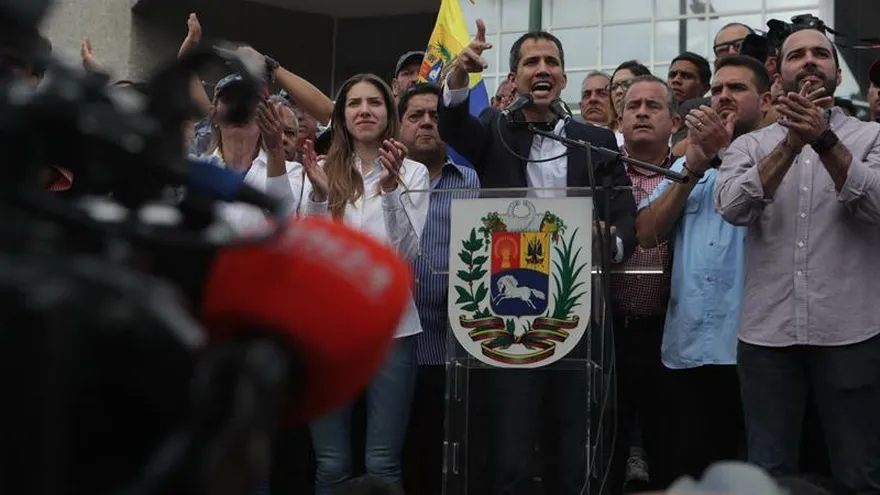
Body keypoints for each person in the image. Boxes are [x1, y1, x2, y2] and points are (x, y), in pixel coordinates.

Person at [437, 19, 637, 495]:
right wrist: (459, 75)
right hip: (507, 313)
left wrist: (607, 240)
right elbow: (452, 125)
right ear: (515, 78)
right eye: (531, 62)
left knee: (574, 445)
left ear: (564, 78)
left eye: (551, 62)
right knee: (512, 444)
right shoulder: (493, 131)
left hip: (578, 308)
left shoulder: (594, 140)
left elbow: (623, 213)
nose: (542, 69)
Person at [715, 27, 880, 494]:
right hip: (768, 337)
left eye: (820, 54)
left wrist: (824, 140)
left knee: (861, 474)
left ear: (836, 72)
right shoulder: (750, 145)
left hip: (853, 332)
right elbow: (731, 207)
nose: (809, 61)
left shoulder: (872, 136)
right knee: (769, 475)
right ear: (778, 73)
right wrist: (790, 143)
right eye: (797, 54)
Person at [638, 54, 773, 481]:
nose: (723, 96)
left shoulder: (784, 154)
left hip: (757, 348)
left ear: (766, 100)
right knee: (695, 474)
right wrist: (695, 167)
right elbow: (646, 232)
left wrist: (727, 152)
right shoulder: (688, 162)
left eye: (737, 88)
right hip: (690, 347)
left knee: (760, 474)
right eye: (717, 90)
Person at [298, 73, 430, 495]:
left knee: (382, 462)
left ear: (389, 113)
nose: (364, 111)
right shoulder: (319, 169)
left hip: (393, 329)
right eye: (354, 103)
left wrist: (390, 191)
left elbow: (406, 252)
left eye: (374, 102)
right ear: (342, 116)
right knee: (332, 462)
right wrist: (320, 199)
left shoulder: (413, 172)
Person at [397, 83, 480, 495]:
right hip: (390, 345)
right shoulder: (383, 180)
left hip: (449, 350)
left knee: (437, 461)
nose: (427, 123)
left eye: (435, 115)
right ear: (398, 126)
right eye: (416, 116)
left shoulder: (472, 181)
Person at [199, 73, 304, 233]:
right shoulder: (199, 168)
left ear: (267, 114)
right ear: (214, 115)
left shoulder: (290, 171)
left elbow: (286, 221)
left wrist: (275, 151)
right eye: (230, 101)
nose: (239, 110)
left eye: (250, 102)